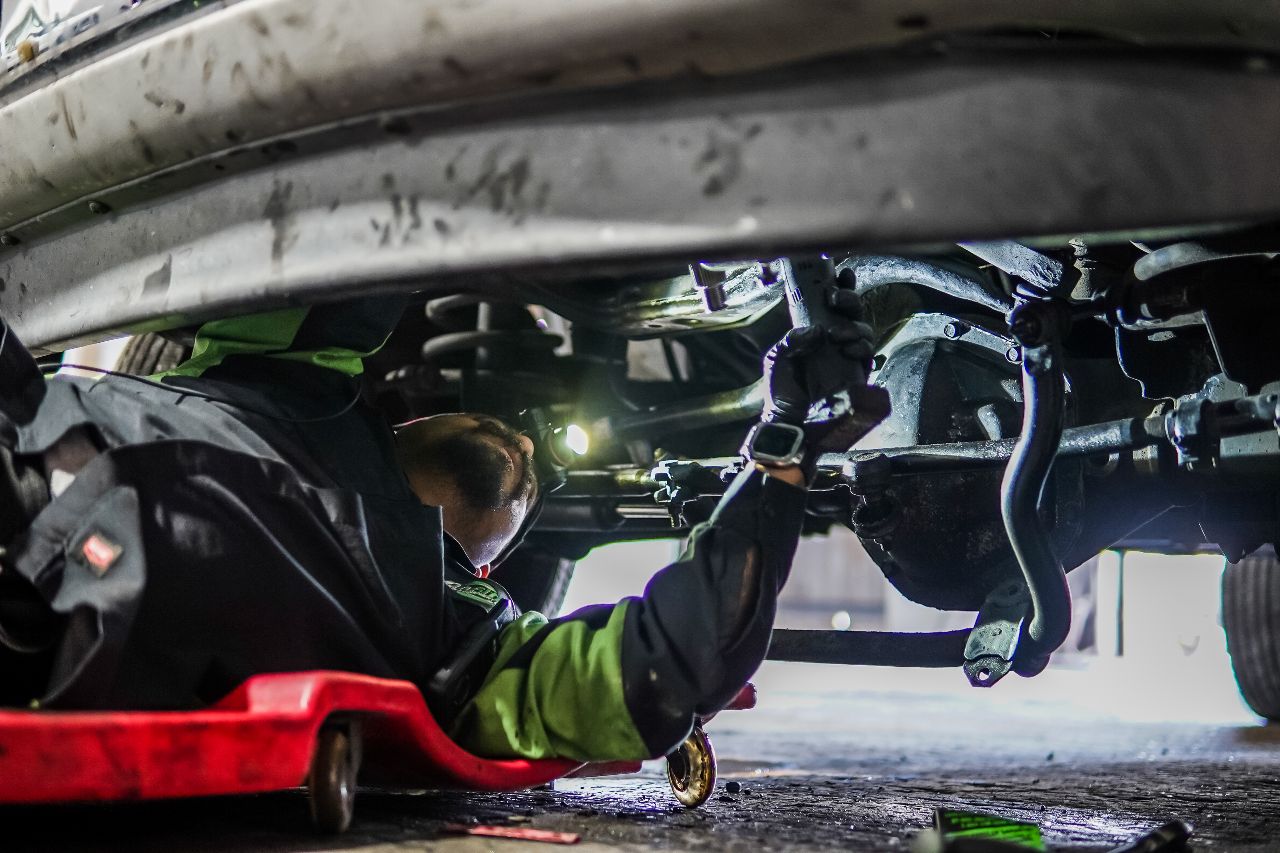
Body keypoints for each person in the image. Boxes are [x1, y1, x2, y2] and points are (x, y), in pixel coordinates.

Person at [0, 286, 877, 762]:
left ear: (487, 572)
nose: (529, 454)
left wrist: (782, 458)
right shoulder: (293, 371)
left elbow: (671, 665)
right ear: (406, 419)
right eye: (520, 442)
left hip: (32, 621)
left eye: (529, 500)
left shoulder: (467, 654)